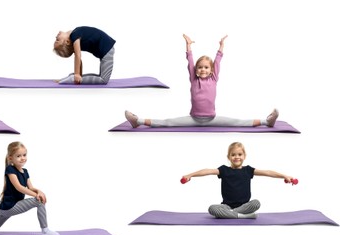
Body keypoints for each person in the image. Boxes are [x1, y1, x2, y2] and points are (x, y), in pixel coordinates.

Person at [125, 34, 278, 128]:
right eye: (200, 67)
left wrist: (221, 47)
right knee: (168, 122)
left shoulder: (214, 78)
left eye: (206, 67)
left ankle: (267, 121)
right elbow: (190, 61)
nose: (202, 70)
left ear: (211, 70)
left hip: (212, 118)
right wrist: (188, 47)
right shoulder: (193, 79)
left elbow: (218, 61)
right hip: (193, 119)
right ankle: (137, 121)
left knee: (238, 122)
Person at [181, 142, 297, 219]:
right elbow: (207, 171)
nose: (237, 157)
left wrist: (285, 176)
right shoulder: (224, 170)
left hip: (245, 206)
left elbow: (268, 172)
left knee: (256, 203)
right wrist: (190, 175)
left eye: (240, 154)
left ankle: (233, 214)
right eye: (233, 155)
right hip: (226, 207)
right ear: (229, 157)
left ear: (244, 156)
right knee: (212, 208)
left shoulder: (248, 170)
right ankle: (242, 216)